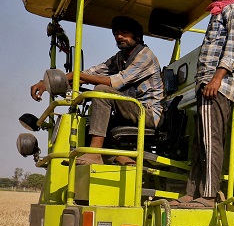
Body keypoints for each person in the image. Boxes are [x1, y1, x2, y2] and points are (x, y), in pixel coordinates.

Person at [30, 16, 163, 166]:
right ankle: (118, 159)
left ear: (137, 36)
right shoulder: (120, 58)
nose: (119, 37)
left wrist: (78, 75)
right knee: (87, 123)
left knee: (102, 92)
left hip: (148, 114)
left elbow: (115, 82)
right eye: (116, 33)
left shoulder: (145, 56)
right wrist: (47, 83)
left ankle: (94, 153)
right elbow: (92, 73)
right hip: (130, 110)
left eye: (124, 33)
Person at [178, 0, 234, 206]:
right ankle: (193, 191)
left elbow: (233, 47)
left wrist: (217, 79)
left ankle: (208, 195)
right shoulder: (217, 14)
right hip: (206, 84)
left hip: (216, 84)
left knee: (211, 140)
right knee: (199, 142)